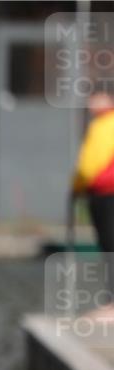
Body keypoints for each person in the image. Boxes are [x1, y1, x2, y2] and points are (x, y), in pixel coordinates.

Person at [72, 91, 114, 319]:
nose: (91, 103)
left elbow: (89, 165)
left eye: (96, 98)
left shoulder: (106, 124)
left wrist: (76, 185)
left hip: (108, 194)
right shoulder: (101, 124)